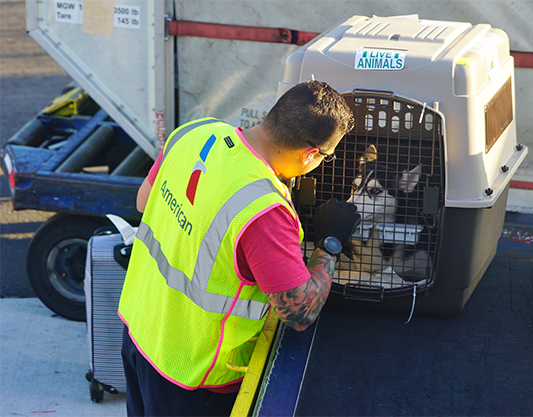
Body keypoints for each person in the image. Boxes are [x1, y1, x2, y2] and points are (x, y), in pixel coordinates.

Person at [118, 80, 360, 416]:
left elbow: (144, 202)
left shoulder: (196, 132)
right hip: (193, 377)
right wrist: (330, 242)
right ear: (310, 154)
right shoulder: (264, 209)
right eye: (326, 158)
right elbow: (300, 312)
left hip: (140, 335)